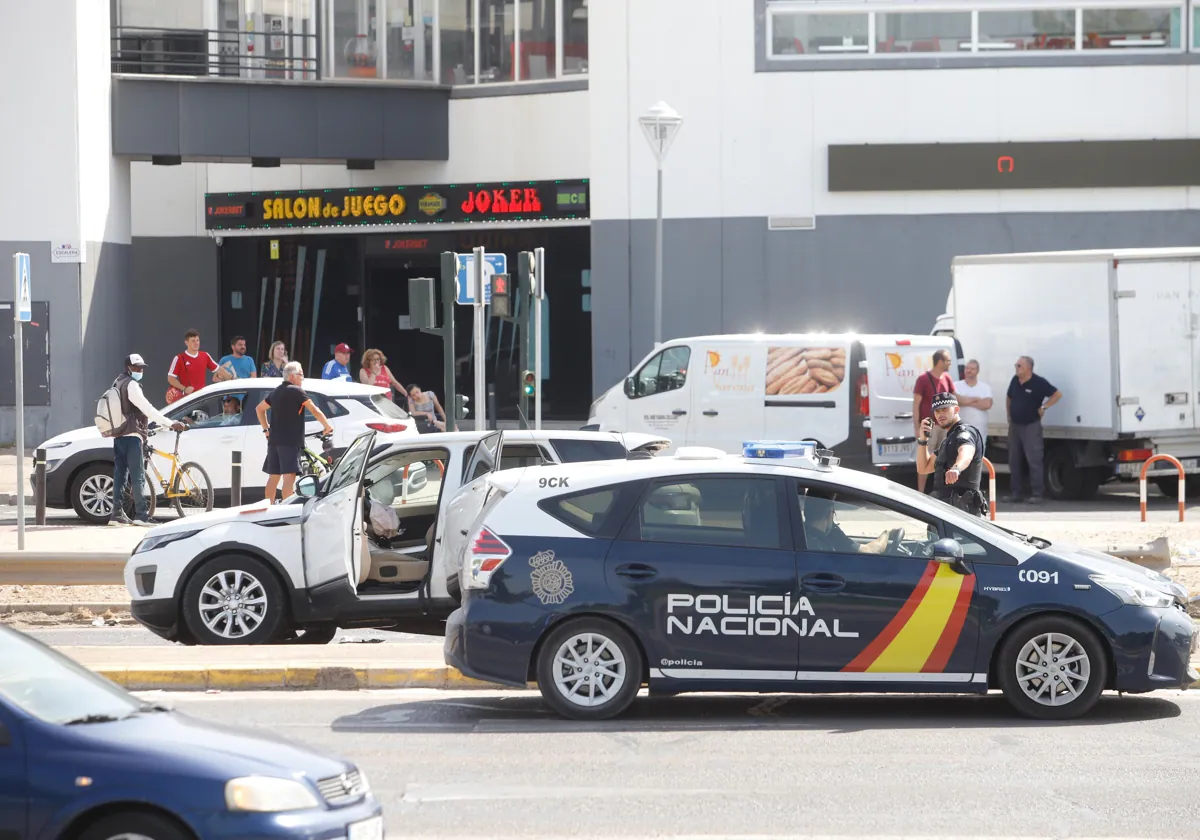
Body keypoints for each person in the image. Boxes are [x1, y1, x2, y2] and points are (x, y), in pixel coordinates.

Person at [110, 354, 186, 526]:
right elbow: (147, 409)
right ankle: (141, 515)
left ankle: (116, 515)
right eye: (137, 368)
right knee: (138, 477)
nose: (140, 370)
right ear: (128, 367)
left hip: (119, 435)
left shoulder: (118, 381)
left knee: (120, 475)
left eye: (142, 367)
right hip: (132, 435)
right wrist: (169, 423)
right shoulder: (132, 385)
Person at [256, 361, 333, 503]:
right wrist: (327, 426)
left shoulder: (277, 391)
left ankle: (266, 509)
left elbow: (259, 409)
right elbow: (314, 409)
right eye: (301, 375)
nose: (302, 378)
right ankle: (286, 511)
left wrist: (266, 429)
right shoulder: (296, 391)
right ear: (292, 376)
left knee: (273, 477)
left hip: (274, 441)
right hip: (290, 442)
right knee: (288, 477)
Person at [916, 391, 987, 517]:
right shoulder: (948, 440)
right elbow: (924, 468)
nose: (940, 414)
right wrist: (923, 440)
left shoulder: (965, 433)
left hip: (963, 511)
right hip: (945, 510)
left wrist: (956, 468)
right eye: (937, 411)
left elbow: (966, 452)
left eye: (944, 410)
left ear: (956, 409)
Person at [1006, 355, 1063, 505]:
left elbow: (1057, 394)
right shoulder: (1015, 380)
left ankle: (1037, 493)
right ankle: (1015, 493)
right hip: (1015, 426)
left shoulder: (1038, 382)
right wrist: (1009, 415)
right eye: (1016, 365)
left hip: (1031, 425)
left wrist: (1044, 407)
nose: (1016, 368)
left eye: (1019, 366)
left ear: (1028, 368)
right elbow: (1009, 397)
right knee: (1014, 460)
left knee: (1034, 460)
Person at [912, 349, 956, 494]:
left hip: (945, 426)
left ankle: (943, 491)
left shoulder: (947, 378)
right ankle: (920, 492)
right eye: (948, 360)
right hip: (930, 426)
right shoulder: (923, 379)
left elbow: (954, 399)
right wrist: (917, 427)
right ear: (940, 362)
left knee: (945, 459)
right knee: (925, 460)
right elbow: (916, 404)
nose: (950, 363)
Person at [801, 494, 889, 555]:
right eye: (833, 513)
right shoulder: (820, 545)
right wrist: (887, 533)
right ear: (828, 514)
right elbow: (872, 550)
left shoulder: (803, 534)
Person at [167, 329, 228, 404]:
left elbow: (218, 369)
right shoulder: (179, 358)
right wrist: (184, 388)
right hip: (186, 400)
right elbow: (170, 378)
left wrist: (231, 378)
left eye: (197, 340)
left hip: (201, 399)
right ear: (186, 342)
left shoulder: (205, 355)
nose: (196, 343)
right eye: (193, 341)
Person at [954, 359, 993, 445]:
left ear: (977, 371)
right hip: (961, 428)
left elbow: (987, 404)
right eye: (967, 368)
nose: (969, 370)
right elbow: (956, 401)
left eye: (972, 369)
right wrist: (976, 399)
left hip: (979, 429)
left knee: (978, 454)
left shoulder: (985, 387)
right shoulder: (956, 385)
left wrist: (964, 400)